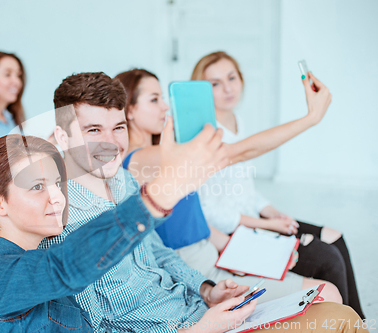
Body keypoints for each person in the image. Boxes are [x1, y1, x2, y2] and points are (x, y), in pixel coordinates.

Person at [39, 72, 346, 332]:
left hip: (195, 303)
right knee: (334, 310)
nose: (110, 141)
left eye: (117, 128)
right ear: (62, 137)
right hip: (191, 323)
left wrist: (207, 289)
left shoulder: (124, 182)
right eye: (93, 130)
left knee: (336, 308)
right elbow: (102, 321)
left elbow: (159, 252)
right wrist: (311, 118)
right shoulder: (60, 216)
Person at [0, 128, 242, 332]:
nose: (57, 196)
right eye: (37, 187)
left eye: (58, 183)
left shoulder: (49, 248)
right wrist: (163, 192)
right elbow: (64, 266)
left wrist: (204, 302)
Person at [116, 68, 340, 304]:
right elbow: (241, 151)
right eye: (154, 100)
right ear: (129, 110)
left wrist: (245, 252)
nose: (165, 107)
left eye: (163, 98)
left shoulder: (161, 156)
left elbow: (192, 221)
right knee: (327, 291)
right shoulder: (140, 159)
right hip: (198, 273)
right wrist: (310, 118)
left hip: (212, 255)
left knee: (322, 266)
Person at [191, 51, 364, 318]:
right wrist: (268, 224)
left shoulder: (238, 122)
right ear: (200, 91)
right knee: (327, 258)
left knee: (334, 236)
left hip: (255, 219)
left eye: (232, 78)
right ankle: (342, 321)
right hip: (236, 231)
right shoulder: (203, 136)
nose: (227, 88)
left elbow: (246, 190)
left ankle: (358, 322)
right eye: (215, 83)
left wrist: (271, 210)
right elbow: (212, 214)